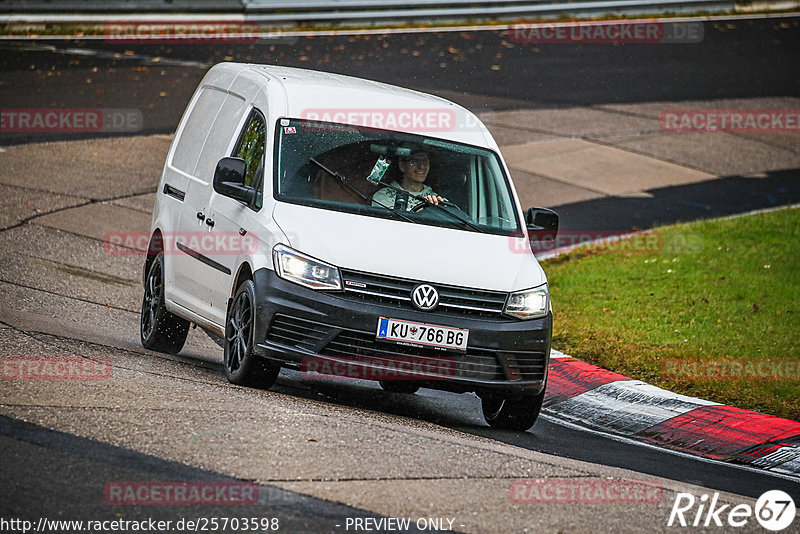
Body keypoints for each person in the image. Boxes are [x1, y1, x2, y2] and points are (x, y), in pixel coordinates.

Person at [371, 150, 446, 211]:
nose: (422, 166)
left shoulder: (436, 200)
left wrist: (436, 209)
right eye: (415, 161)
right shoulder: (383, 197)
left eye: (425, 161)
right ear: (402, 166)